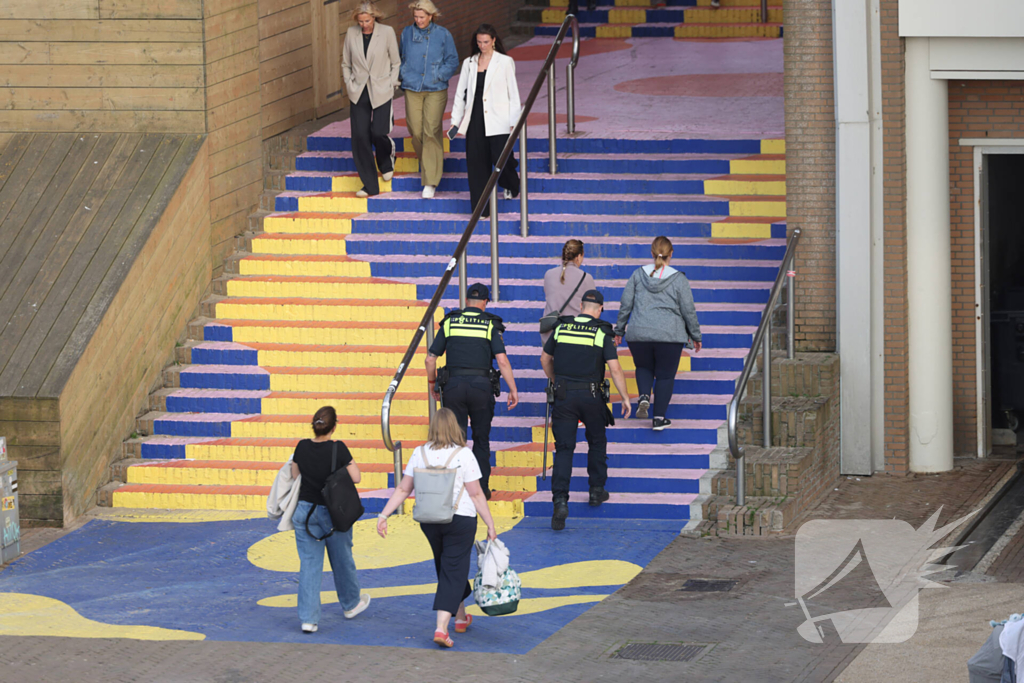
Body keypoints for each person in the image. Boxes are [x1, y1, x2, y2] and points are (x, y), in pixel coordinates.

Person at [376, 408, 498, 648]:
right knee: (453, 568)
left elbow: (403, 489)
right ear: (456, 428)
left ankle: (460, 617)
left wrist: (384, 514)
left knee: (448, 565)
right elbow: (476, 494)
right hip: (460, 520)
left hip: (429, 520)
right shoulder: (464, 455)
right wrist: (490, 524)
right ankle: (441, 627)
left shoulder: (419, 453)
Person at [540, 290, 631, 531]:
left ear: (580, 306)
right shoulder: (601, 331)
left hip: (564, 394)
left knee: (564, 449)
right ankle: (596, 490)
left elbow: (545, 359)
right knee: (597, 441)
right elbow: (615, 368)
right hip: (592, 396)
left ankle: (560, 501)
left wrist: (556, 382)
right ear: (600, 309)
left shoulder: (561, 328)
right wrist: (624, 397)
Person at [426, 282, 518, 499]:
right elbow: (502, 361)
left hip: (453, 387)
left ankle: (456, 488)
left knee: (454, 440)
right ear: (485, 303)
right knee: (481, 439)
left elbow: (430, 359)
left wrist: (432, 384)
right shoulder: (489, 325)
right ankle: (481, 489)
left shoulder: (450, 322)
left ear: (466, 301)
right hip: (481, 387)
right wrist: (512, 389)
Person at [289, 406, 371, 633]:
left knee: (309, 565)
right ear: (334, 427)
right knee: (342, 560)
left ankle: (308, 619)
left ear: (314, 426)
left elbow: (295, 475)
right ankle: (351, 604)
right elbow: (356, 477)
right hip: (334, 513)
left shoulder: (302, 446)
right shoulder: (338, 449)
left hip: (305, 512)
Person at [614, 236, 702, 431]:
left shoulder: (637, 274)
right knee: (664, 376)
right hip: (669, 335)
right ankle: (659, 419)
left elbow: (625, 304)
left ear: (651, 253)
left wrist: (619, 330)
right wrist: (695, 335)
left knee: (643, 367)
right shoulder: (679, 278)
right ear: (671, 254)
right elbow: (688, 310)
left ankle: (644, 395)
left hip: (639, 334)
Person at [449, 24, 521, 217]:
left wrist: (515, 122)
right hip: (475, 120)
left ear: (494, 40)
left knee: (501, 158)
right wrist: (455, 121)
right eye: (479, 42)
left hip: (500, 119)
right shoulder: (469, 63)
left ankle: (512, 184)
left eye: (486, 42)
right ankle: (481, 208)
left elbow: (513, 94)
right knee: (476, 164)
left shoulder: (505, 62)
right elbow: (460, 94)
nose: (482, 46)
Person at [399, 1, 459, 199]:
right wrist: (403, 74)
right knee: (415, 130)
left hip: (436, 89)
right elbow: (401, 57)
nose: (418, 20)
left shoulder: (443, 34)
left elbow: (452, 60)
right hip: (412, 87)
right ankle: (430, 163)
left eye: (422, 17)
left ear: (431, 16)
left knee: (431, 130)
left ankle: (430, 181)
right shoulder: (406, 33)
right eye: (416, 17)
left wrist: (439, 75)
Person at [342, 2, 401, 198]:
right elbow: (345, 63)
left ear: (374, 17)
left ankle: (386, 160)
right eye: (360, 21)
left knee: (378, 131)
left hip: (382, 89)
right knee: (360, 136)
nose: (364, 25)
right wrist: (350, 85)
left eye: (367, 21)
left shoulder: (387, 32)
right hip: (359, 90)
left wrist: (392, 83)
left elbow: (396, 61)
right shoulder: (351, 34)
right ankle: (369, 185)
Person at [542, 239, 596, 346]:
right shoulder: (586, 278)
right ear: (579, 257)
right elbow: (592, 309)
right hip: (575, 335)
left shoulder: (548, 274)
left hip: (550, 336)